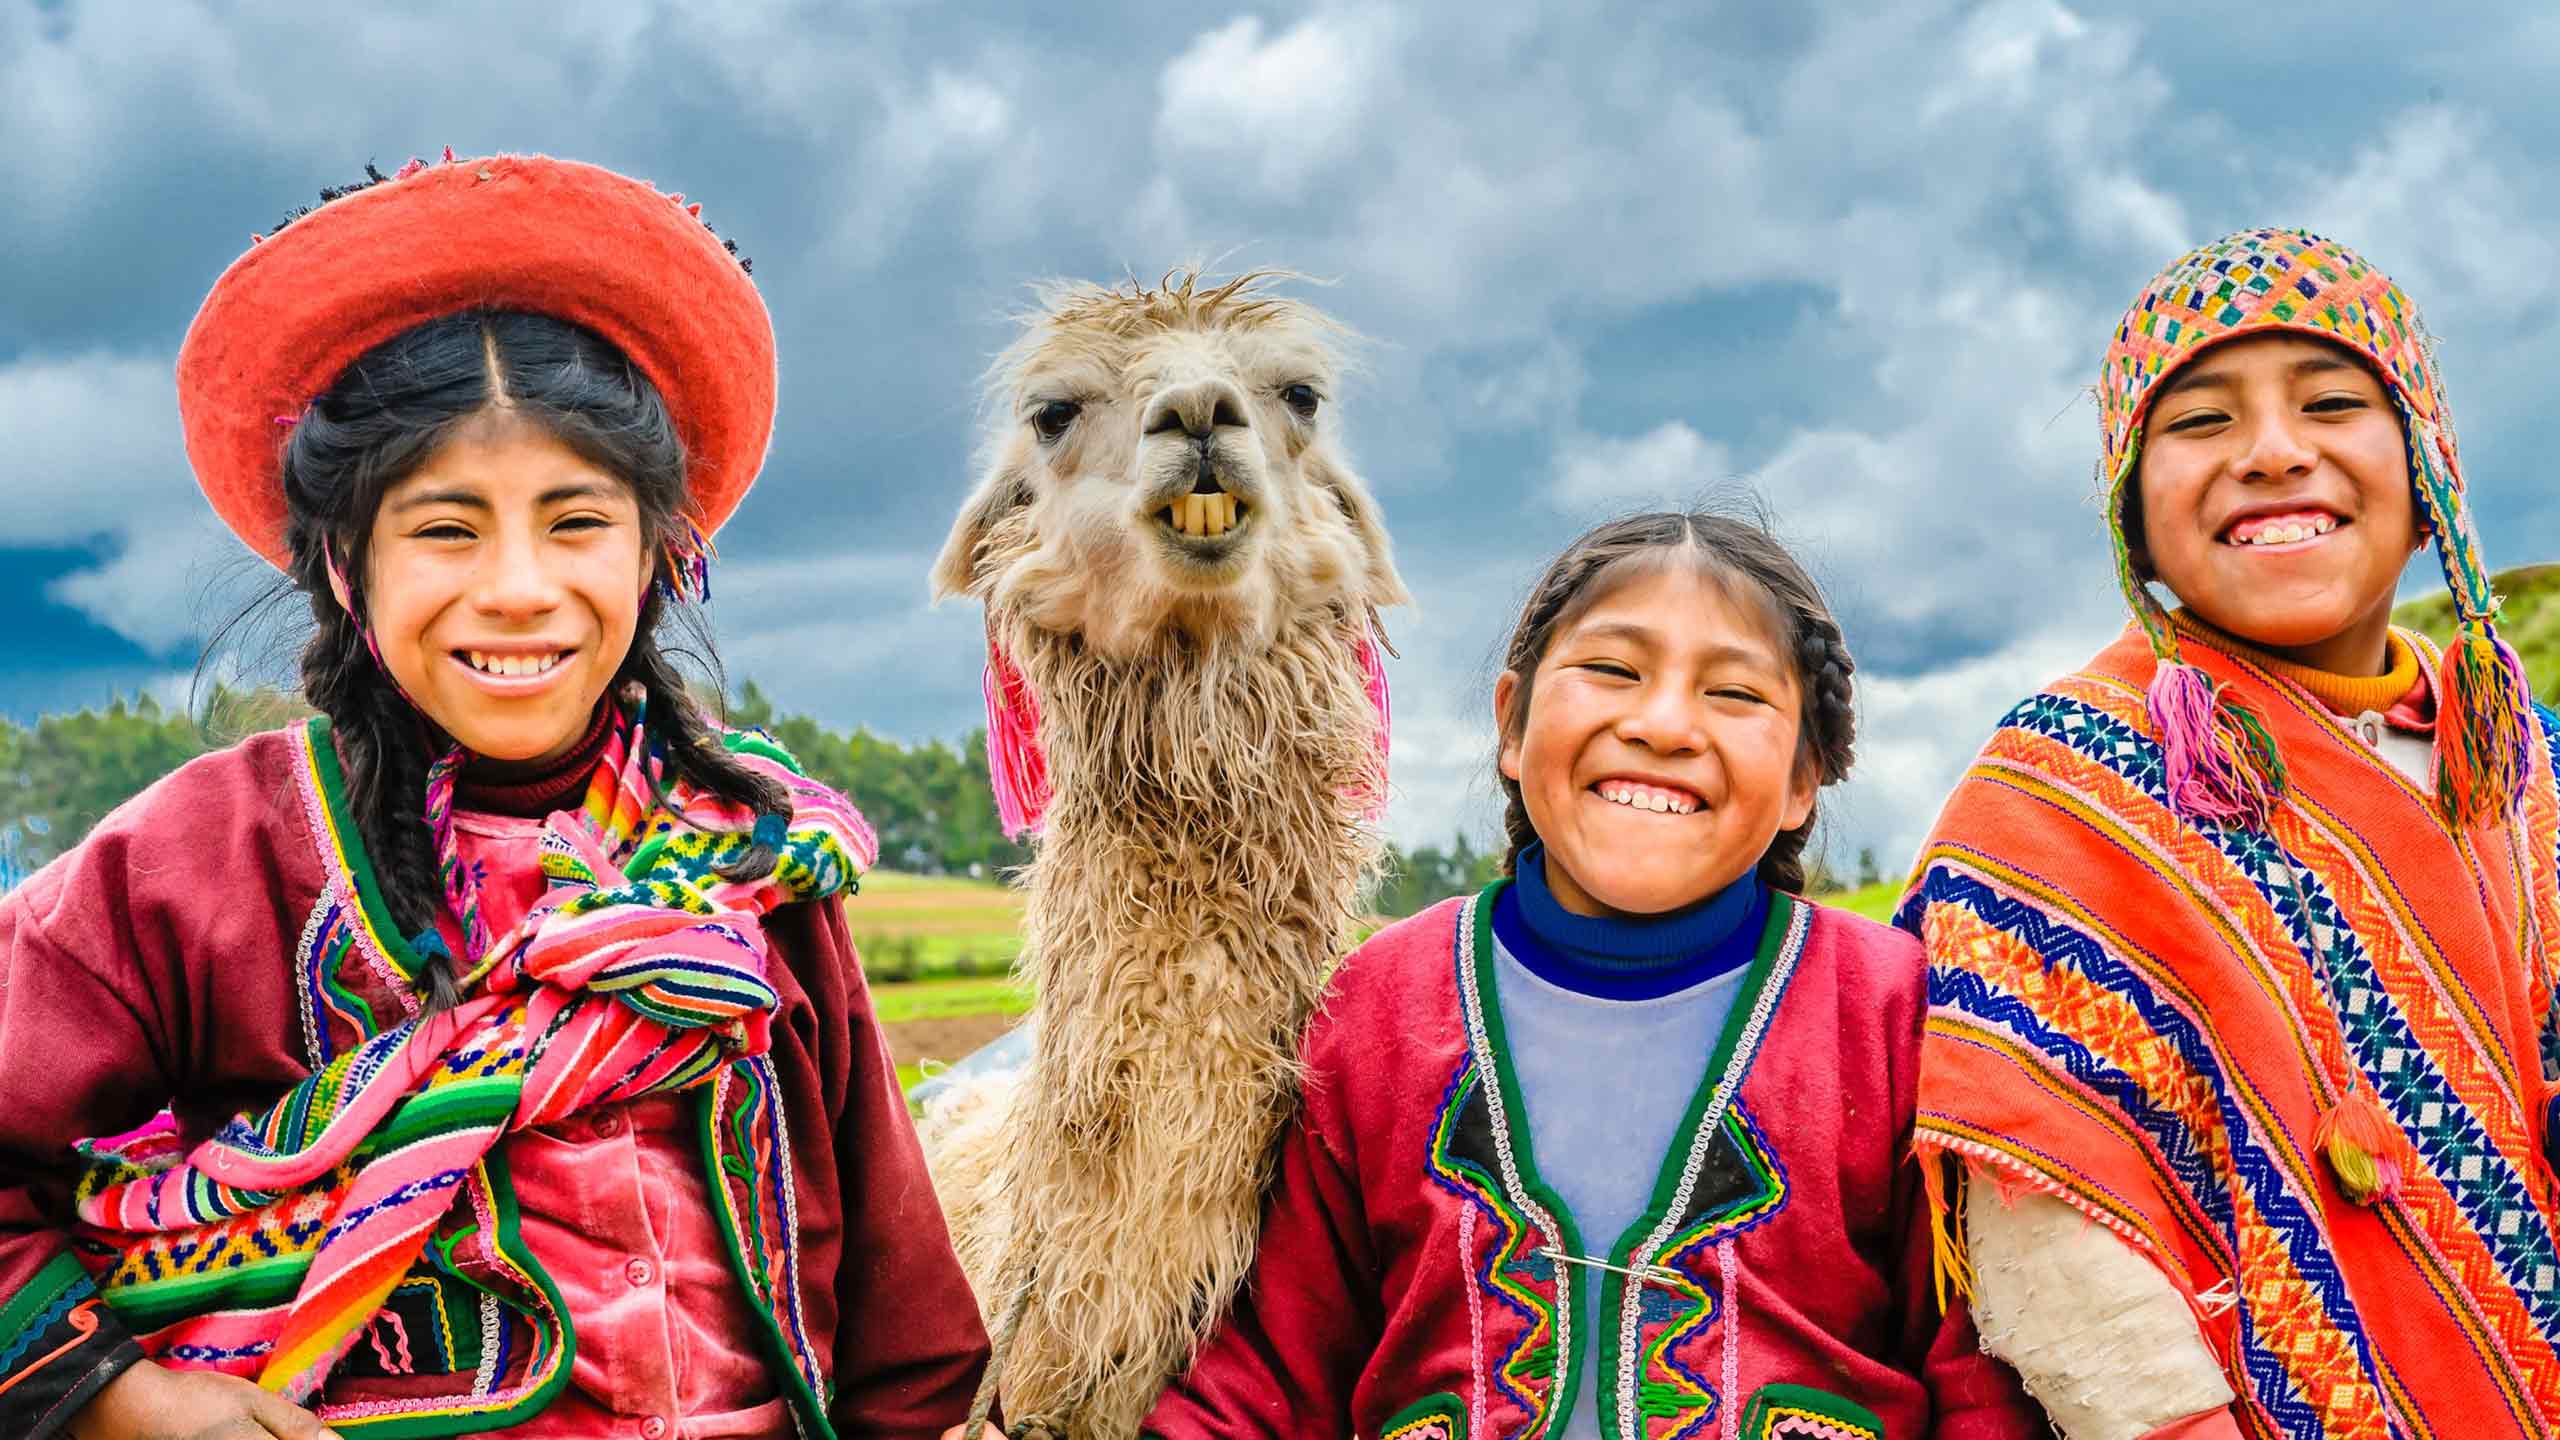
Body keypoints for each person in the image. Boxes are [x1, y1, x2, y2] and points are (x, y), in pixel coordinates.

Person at [0, 152, 988, 1439]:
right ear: (344, 565)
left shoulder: (747, 855)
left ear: (658, 554)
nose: (519, 586)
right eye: (448, 529)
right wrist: (125, 1403)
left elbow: (897, 1301)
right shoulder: (203, 861)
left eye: (576, 523)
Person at [1138, 510, 2041, 1440]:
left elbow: (1980, 1378)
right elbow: (1269, 1373)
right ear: (1511, 726)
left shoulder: (1892, 1011)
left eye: (1733, 693)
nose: (1661, 724)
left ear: (1804, 779)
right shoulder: (1380, 1007)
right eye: (1613, 670)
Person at [1905, 228, 2560, 1440]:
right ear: (2132, 517)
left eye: (2330, 403)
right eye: (2199, 422)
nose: (2271, 451)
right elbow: (2041, 1204)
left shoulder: (2519, 764)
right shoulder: (2057, 794)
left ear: (2428, 480)